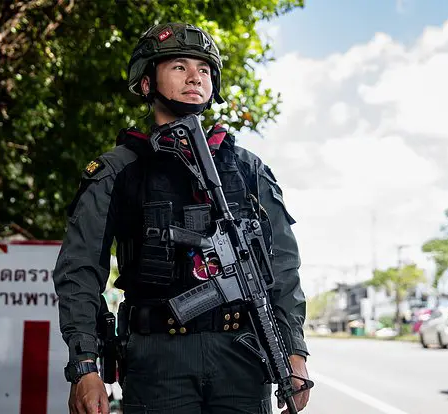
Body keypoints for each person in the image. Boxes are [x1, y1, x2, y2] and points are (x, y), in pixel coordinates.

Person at [52, 22, 311, 414]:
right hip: (158, 360)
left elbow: (283, 266)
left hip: (242, 355)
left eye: (204, 69)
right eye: (179, 66)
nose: (195, 77)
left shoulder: (246, 169)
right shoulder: (117, 171)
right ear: (146, 83)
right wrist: (85, 366)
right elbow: (80, 270)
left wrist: (294, 351)